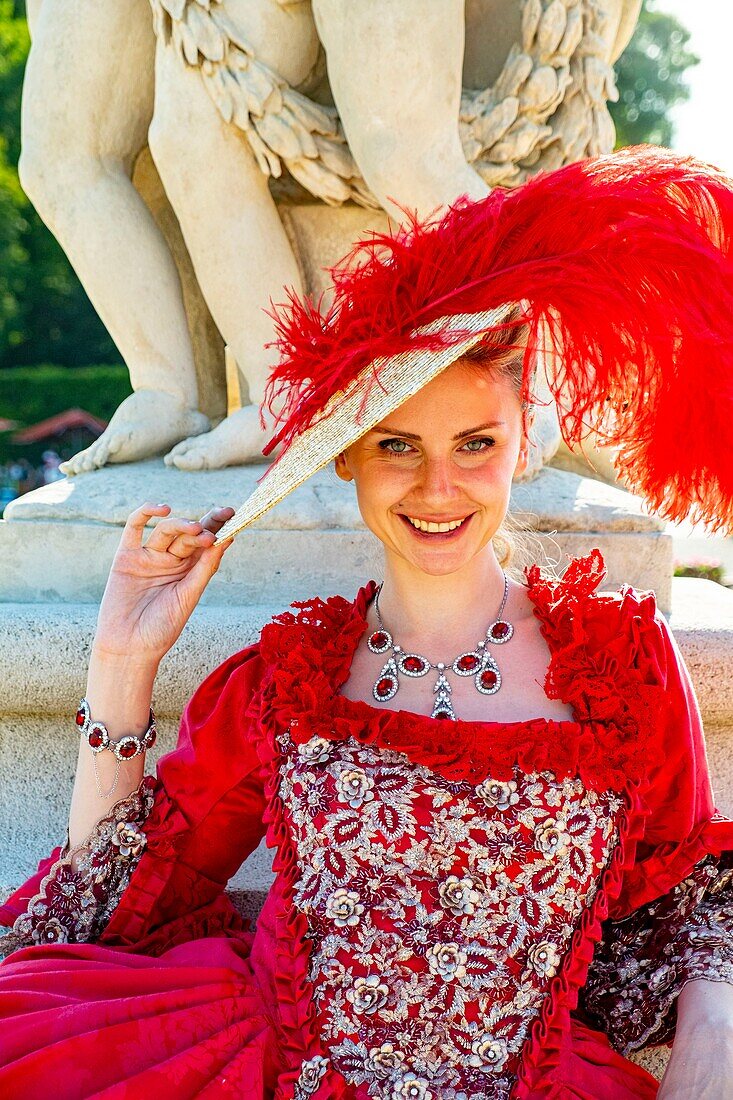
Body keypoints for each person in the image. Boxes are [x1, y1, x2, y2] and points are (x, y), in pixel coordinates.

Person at [1, 146, 733, 1099]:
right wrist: (122, 655)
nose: (438, 486)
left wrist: (711, 1032)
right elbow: (114, 903)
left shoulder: (621, 665)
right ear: (347, 458)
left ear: (520, 445)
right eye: (398, 446)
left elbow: (683, 908)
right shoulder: (284, 680)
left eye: (476, 444)